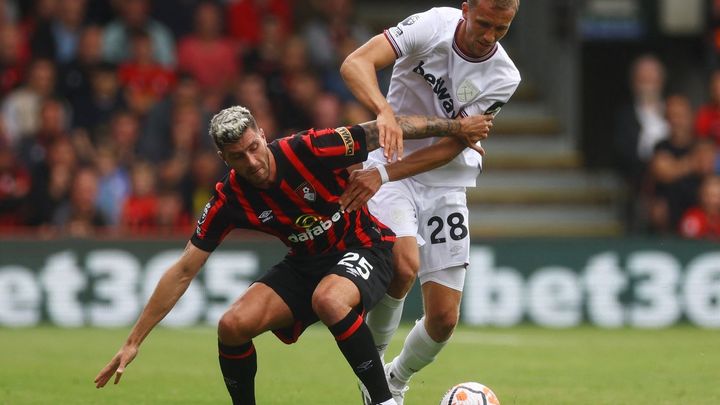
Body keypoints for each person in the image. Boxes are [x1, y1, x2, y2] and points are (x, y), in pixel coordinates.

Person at [93, 105, 492, 405]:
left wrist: (456, 128)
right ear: (223, 159)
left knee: (329, 299)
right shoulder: (229, 198)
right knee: (232, 325)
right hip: (306, 264)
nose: (252, 162)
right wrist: (134, 341)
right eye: (238, 157)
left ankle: (383, 400)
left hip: (365, 245)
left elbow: (389, 128)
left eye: (254, 148)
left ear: (262, 135)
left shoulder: (310, 148)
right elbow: (183, 270)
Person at [339, 1, 521, 403]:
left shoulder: (504, 76)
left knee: (443, 318)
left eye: (501, 29)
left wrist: (382, 173)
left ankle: (394, 380)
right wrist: (383, 113)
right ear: (466, 8)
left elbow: (451, 147)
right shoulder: (433, 25)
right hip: (390, 166)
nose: (488, 36)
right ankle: (374, 382)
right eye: (483, 23)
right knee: (403, 266)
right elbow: (356, 63)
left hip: (444, 185)